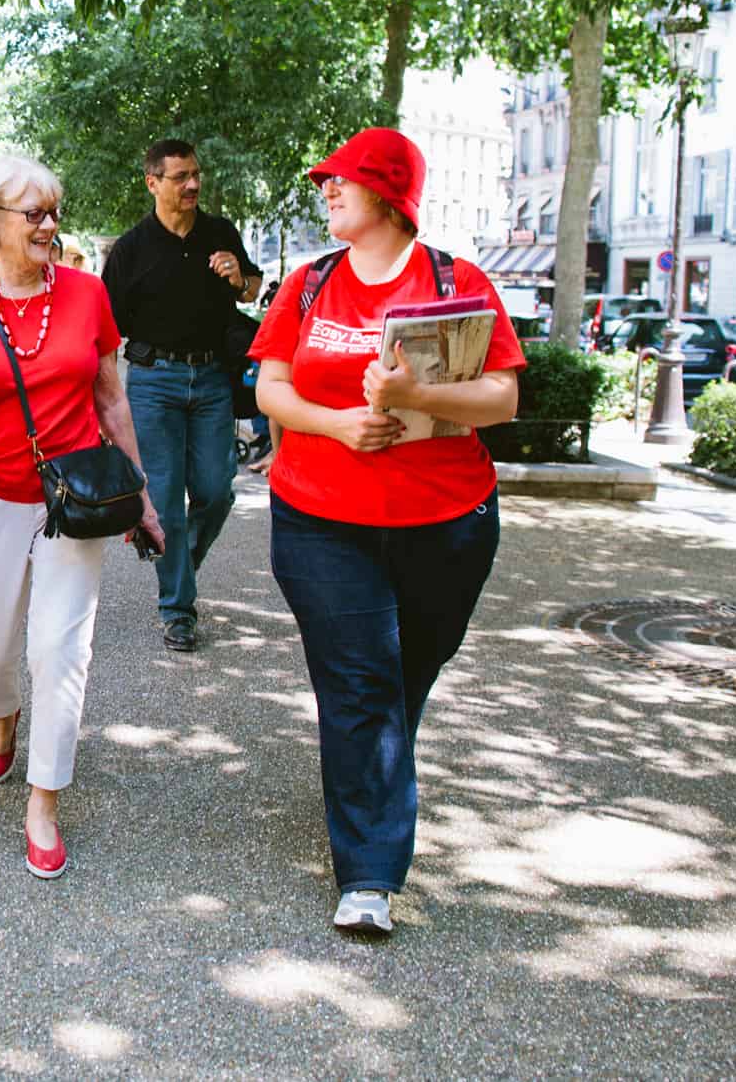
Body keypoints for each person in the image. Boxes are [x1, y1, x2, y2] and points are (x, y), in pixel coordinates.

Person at [249, 127, 522, 936]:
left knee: (405, 676)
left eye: (343, 179)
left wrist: (422, 396)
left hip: (447, 522)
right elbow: (270, 387)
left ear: (390, 195)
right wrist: (337, 423)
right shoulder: (307, 284)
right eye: (324, 178)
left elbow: (502, 396)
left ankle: (368, 775)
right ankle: (369, 871)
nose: (326, 189)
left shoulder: (455, 281)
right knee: (362, 682)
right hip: (321, 520)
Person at [0, 155, 162, 880]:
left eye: (54, 209)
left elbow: (112, 398)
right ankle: (0, 713)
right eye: (34, 212)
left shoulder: (89, 295)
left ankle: (43, 800)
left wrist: (141, 494)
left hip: (73, 501)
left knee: (61, 652)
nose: (49, 224)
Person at [101, 139, 262, 654]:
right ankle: (178, 609)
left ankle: (179, 568)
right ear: (153, 182)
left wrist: (240, 278)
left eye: (196, 175)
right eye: (179, 177)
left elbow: (253, 289)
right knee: (166, 500)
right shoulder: (130, 250)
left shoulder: (220, 231)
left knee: (217, 491)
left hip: (213, 379)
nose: (192, 185)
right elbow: (106, 330)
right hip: (153, 382)